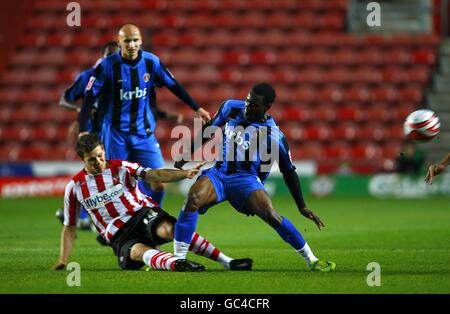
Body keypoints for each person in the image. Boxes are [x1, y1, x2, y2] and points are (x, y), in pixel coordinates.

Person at [172, 83, 336, 272]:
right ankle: (178, 260)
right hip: (219, 173)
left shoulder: (274, 135)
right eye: (248, 102)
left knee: (272, 216)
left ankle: (312, 259)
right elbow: (209, 129)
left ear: (267, 108)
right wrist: (187, 154)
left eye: (254, 105)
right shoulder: (231, 108)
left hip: (246, 180)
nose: (248, 107)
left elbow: (288, 171)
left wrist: (302, 206)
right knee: (192, 199)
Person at [52, 134, 252, 272]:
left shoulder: (121, 168)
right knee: (139, 253)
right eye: (91, 159)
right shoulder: (75, 187)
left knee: (171, 230)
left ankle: (227, 261)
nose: (98, 161)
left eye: (100, 155)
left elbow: (153, 174)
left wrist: (184, 173)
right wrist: (63, 260)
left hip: (141, 214)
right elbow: (69, 227)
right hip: (118, 235)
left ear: (103, 150)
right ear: (82, 160)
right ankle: (177, 264)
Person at [78, 24, 211, 207]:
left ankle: (153, 215)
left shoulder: (151, 62)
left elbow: (173, 85)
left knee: (158, 183)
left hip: (144, 134)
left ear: (141, 41)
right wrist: (83, 129)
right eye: (127, 41)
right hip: (116, 134)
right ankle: (114, 224)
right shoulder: (107, 67)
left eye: (135, 40)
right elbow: (89, 97)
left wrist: (196, 108)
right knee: (116, 184)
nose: (131, 45)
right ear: (119, 42)